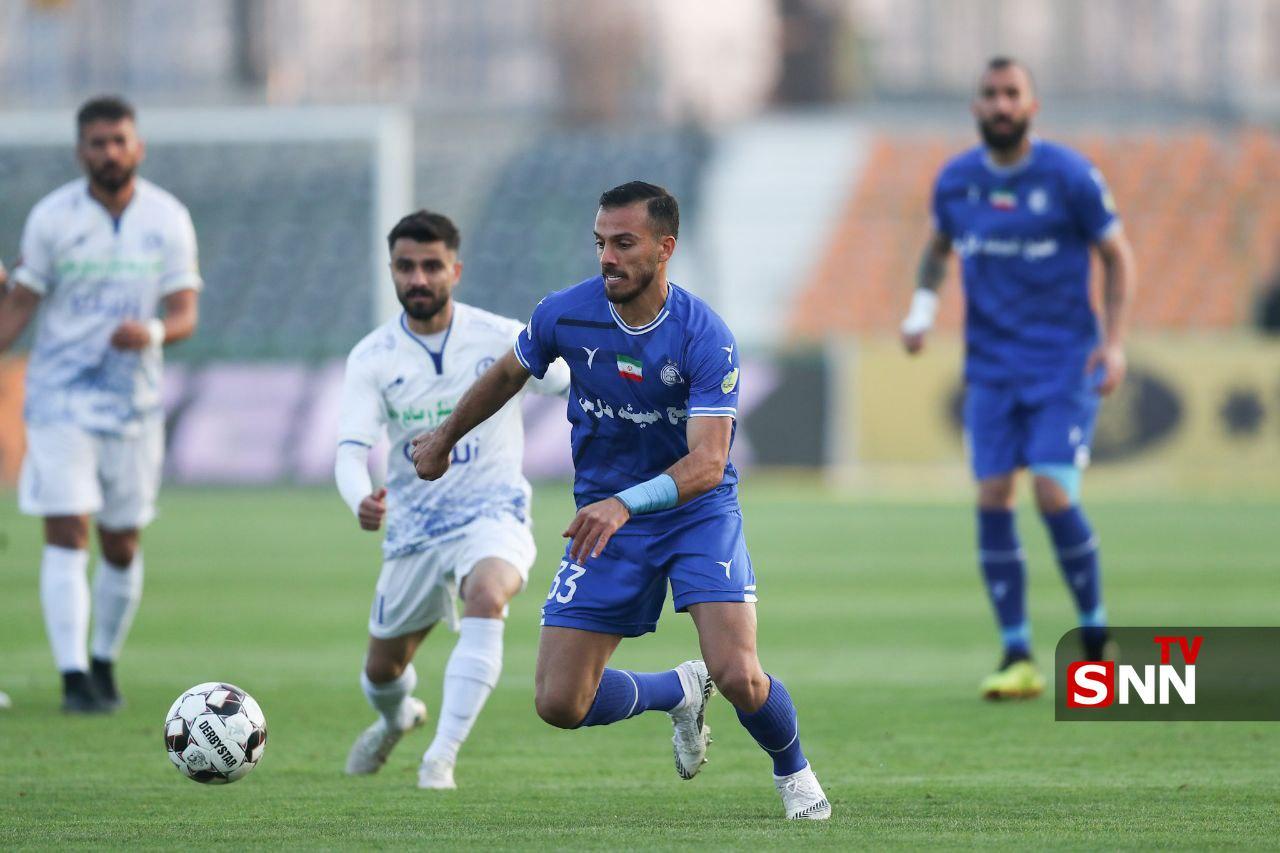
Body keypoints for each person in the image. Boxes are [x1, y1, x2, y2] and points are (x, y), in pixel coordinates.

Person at [411, 182, 831, 820]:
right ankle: (678, 691)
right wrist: (444, 437)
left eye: (625, 244)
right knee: (559, 702)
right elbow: (506, 374)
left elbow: (708, 463)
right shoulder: (565, 314)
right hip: (608, 517)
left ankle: (795, 774)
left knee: (738, 674)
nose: (608, 257)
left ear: (665, 249)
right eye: (601, 243)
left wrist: (628, 503)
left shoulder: (704, 337)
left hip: (694, 513)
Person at [901, 57, 1136, 699]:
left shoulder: (1069, 176)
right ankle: (1017, 654)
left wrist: (1114, 343)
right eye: (991, 94)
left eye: (1012, 94)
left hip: (1064, 363)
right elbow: (937, 248)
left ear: (1032, 106)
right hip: (990, 369)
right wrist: (921, 312)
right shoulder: (957, 181)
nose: (1001, 104)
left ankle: (1096, 639)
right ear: (975, 107)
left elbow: (1117, 255)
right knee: (993, 496)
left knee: (1053, 494)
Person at [337, 210, 570, 790]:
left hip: (493, 512)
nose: (418, 278)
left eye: (431, 266)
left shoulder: (500, 336)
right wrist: (360, 498)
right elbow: (350, 451)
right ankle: (398, 718)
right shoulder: (372, 356)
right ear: (392, 270)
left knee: (487, 594)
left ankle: (440, 757)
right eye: (405, 266)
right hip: (414, 526)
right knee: (382, 672)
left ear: (455, 270)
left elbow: (567, 379)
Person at [0, 96, 202, 713]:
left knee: (121, 542)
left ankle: (104, 662)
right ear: (79, 151)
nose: (109, 152)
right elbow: (20, 306)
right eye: (97, 142)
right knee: (67, 529)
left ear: (138, 147)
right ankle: (73, 679)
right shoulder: (52, 218)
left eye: (119, 141)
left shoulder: (168, 218)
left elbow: (185, 313)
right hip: (59, 397)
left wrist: (154, 332)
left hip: (133, 403)